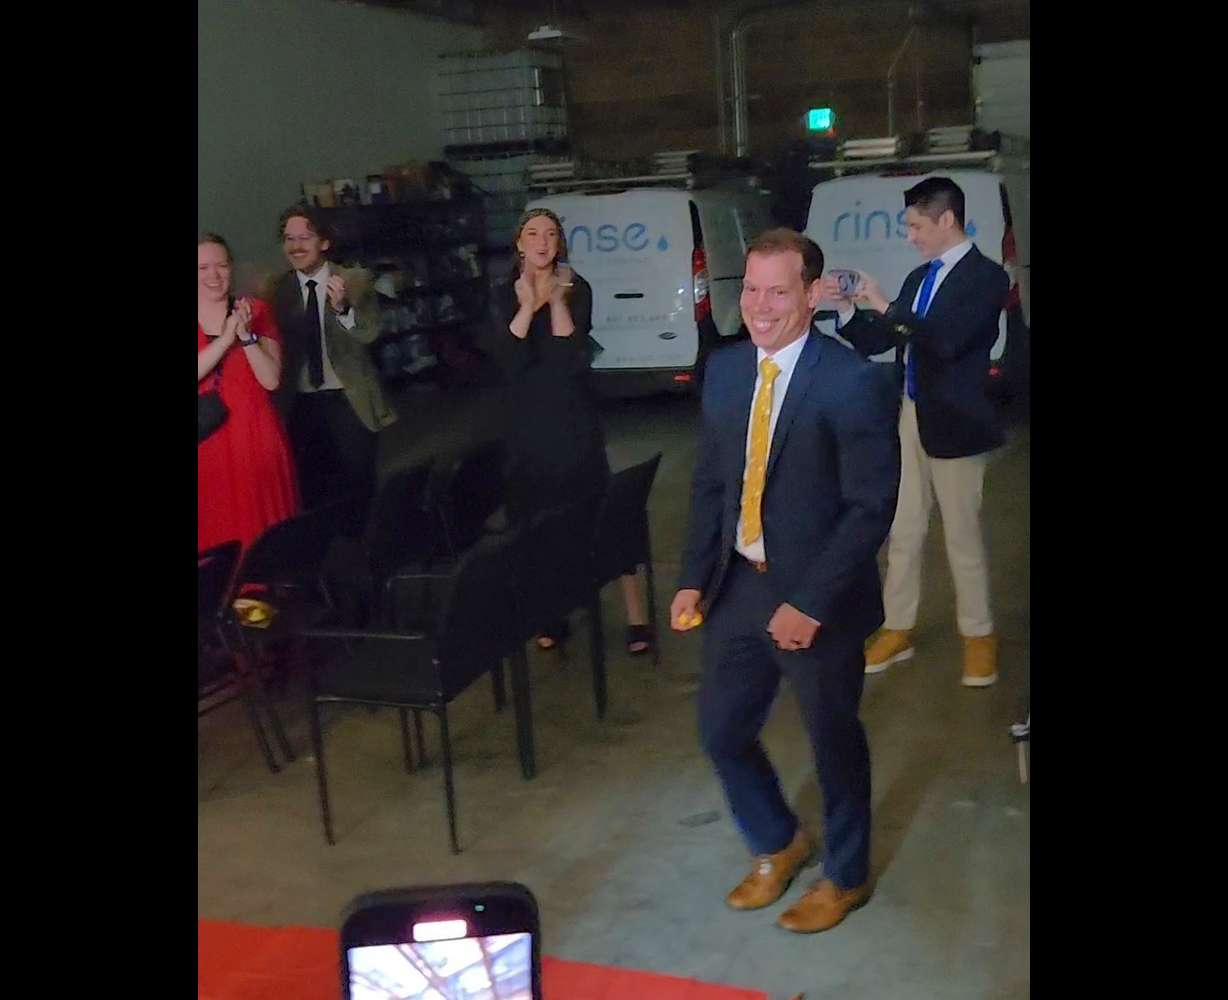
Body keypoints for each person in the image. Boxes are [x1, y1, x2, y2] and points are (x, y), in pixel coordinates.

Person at [671, 229, 899, 934]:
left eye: (779, 290)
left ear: (810, 294)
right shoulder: (728, 370)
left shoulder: (851, 380)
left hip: (817, 598)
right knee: (721, 731)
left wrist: (811, 603)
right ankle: (778, 839)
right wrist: (691, 578)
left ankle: (847, 875)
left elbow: (870, 507)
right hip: (739, 584)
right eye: (753, 290)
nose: (762, 306)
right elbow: (712, 482)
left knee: (833, 742)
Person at [823, 176, 1009, 687]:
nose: (910, 236)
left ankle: (978, 634)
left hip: (957, 422)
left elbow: (946, 342)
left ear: (946, 220)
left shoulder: (987, 278)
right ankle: (897, 625)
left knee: (962, 536)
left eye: (915, 226)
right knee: (903, 531)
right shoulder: (918, 278)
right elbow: (882, 339)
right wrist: (848, 308)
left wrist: (886, 306)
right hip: (910, 413)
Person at [489, 207, 653, 655]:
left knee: (602, 512)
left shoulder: (577, 290)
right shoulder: (502, 293)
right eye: (533, 233)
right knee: (537, 521)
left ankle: (637, 618)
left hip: (574, 420)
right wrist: (527, 307)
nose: (543, 241)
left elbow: (567, 357)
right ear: (519, 243)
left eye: (552, 234)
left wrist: (556, 300)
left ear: (559, 243)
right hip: (526, 425)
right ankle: (550, 612)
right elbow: (510, 360)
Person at [268, 203, 397, 510]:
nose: (296, 246)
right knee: (311, 486)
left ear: (324, 242)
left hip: (346, 398)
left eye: (305, 237)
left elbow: (370, 333)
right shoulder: (280, 290)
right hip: (301, 401)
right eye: (289, 238)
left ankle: (359, 548)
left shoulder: (354, 280)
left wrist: (343, 310)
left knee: (357, 484)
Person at [198, 233, 299, 553]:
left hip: (257, 436)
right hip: (208, 442)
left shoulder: (255, 310)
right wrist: (226, 338)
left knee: (267, 535)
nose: (214, 275)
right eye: (203, 267)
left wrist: (245, 337)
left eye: (221, 265)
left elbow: (270, 380)